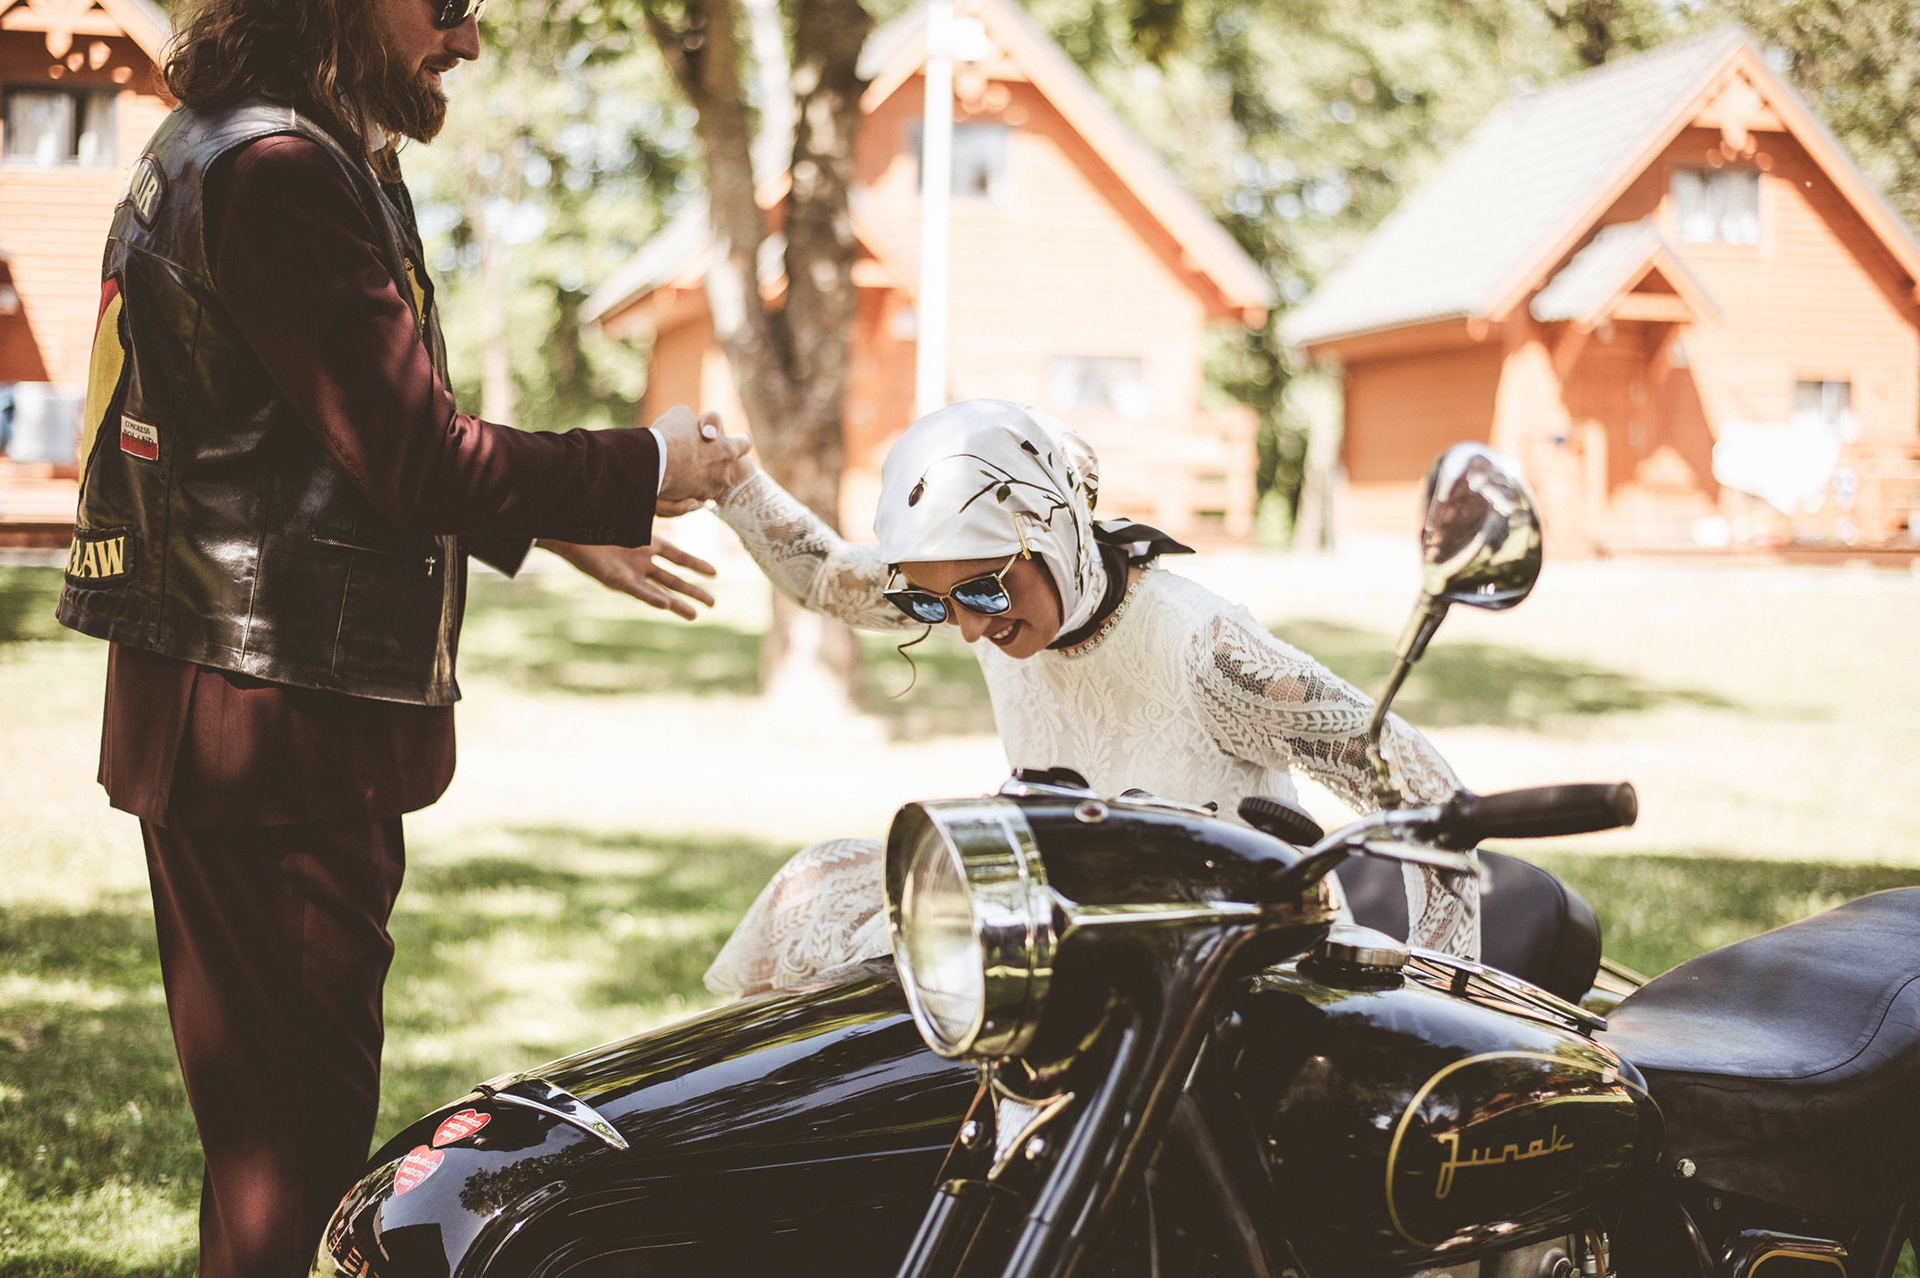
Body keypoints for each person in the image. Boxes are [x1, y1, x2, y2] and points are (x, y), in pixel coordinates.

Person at [50, 0, 749, 1268]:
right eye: (448, 4)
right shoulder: (279, 170)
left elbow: (331, 434)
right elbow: (413, 453)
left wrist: (550, 526)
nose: (466, 41)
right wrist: (647, 463)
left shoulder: (251, 143)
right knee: (293, 1163)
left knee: (269, 1152)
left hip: (237, 708)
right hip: (274, 731)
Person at [701, 399, 1473, 998]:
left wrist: (1441, 996)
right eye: (932, 602)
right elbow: (827, 577)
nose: (967, 629)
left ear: (1055, 534)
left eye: (984, 590)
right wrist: (729, 482)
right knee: (818, 893)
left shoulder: (1206, 651)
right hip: (1067, 936)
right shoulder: (981, 587)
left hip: (1228, 971)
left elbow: (1420, 788)